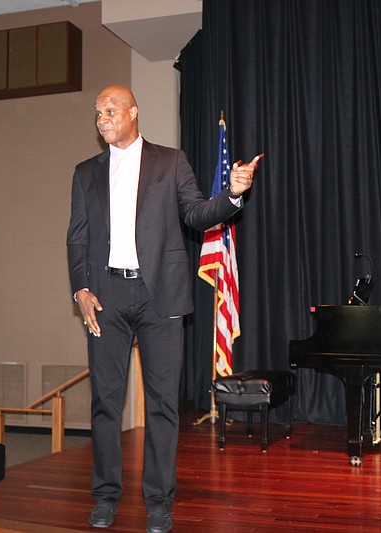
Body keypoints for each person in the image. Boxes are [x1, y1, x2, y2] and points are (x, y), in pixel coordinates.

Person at [66, 84, 262, 533]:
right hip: (106, 297)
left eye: (110, 110)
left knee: (162, 406)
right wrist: (80, 289)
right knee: (105, 404)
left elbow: (195, 214)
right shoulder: (85, 172)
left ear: (133, 113)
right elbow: (76, 237)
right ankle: (106, 496)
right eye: (98, 112)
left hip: (161, 298)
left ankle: (158, 500)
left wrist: (232, 195)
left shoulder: (170, 161)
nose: (102, 118)